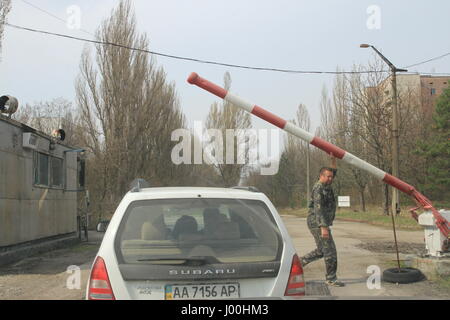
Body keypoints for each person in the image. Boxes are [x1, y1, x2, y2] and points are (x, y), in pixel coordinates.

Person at [300, 154, 345, 287]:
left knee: (321, 251)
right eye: (328, 176)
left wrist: (333, 160)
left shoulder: (326, 184)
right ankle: (331, 278)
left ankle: (300, 262)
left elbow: (333, 171)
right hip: (316, 222)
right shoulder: (318, 188)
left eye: (331, 177)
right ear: (321, 176)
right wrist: (323, 227)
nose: (331, 178)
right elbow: (318, 208)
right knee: (330, 250)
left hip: (320, 222)